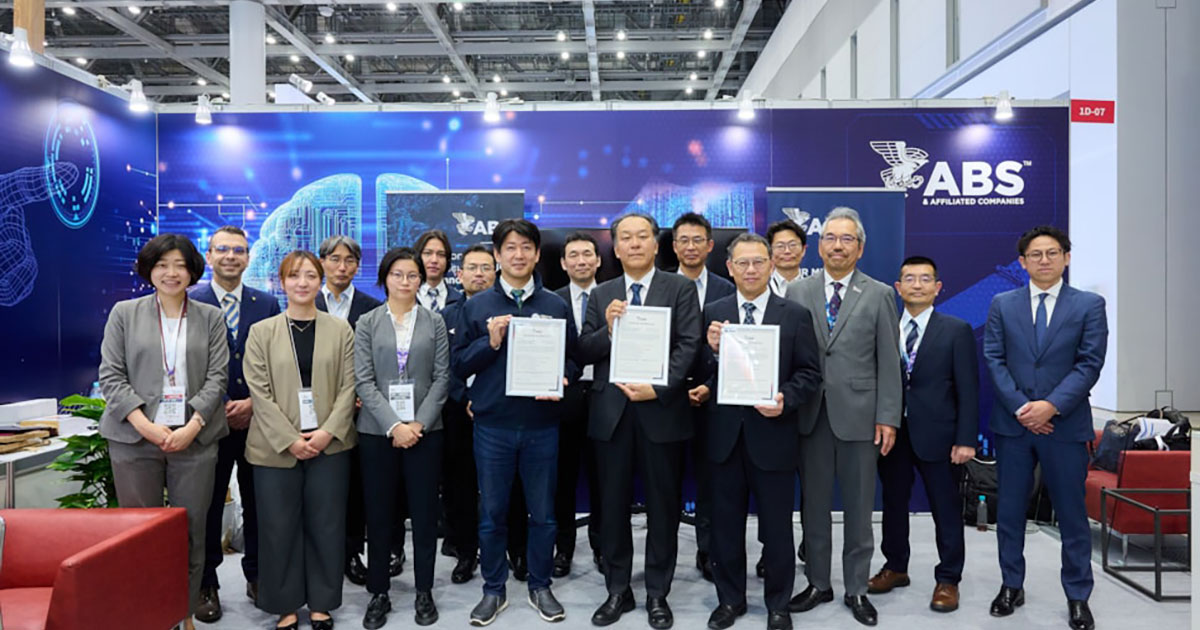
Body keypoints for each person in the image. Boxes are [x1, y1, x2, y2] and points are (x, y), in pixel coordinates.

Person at [98, 233, 230, 630]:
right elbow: (112, 376)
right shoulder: (125, 312)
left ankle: (184, 611)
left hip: (195, 438)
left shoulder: (210, 317)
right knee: (139, 532)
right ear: (148, 269)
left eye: (179, 265)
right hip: (134, 439)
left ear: (192, 270)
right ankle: (144, 614)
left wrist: (192, 425)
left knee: (191, 532)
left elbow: (217, 378)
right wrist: (145, 424)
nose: (171, 273)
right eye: (162, 265)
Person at [578, 212, 702, 630]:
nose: (634, 244)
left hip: (661, 411)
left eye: (642, 236)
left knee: (663, 508)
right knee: (610, 507)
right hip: (611, 415)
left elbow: (690, 344)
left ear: (655, 244)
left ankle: (656, 592)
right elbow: (585, 350)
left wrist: (661, 386)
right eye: (625, 237)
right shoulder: (602, 294)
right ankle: (617, 590)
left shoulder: (680, 288)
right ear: (615, 245)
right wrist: (609, 330)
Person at [453, 219, 578, 626]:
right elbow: (459, 365)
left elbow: (573, 358)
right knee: (492, 514)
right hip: (493, 427)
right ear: (497, 254)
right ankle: (494, 590)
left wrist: (564, 376)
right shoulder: (476, 307)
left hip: (542, 425)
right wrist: (489, 343)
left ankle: (540, 586)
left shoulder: (556, 305)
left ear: (537, 254)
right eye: (510, 247)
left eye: (526, 247)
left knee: (543, 514)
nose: (518, 255)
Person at [784, 207, 902, 627]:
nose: (837, 245)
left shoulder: (880, 293)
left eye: (846, 238)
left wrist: (888, 416)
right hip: (810, 416)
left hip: (861, 418)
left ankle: (856, 587)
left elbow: (890, 361)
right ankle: (819, 582)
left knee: (857, 509)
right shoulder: (797, 292)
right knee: (813, 507)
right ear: (819, 245)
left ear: (860, 247)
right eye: (830, 237)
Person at [984, 226, 1106, 630]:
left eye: (1052, 253)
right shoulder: (1003, 303)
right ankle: (1011, 585)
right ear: (1022, 262)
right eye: (1035, 255)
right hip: (1014, 426)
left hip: (1066, 427)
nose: (1044, 260)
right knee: (1011, 513)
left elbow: (1089, 363)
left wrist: (1051, 406)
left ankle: (1077, 596)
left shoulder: (1089, 305)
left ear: (1066, 257)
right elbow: (994, 359)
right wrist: (1024, 407)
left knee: (1072, 515)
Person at [699, 233, 822, 630]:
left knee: (777, 529)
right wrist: (712, 351)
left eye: (758, 262)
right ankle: (730, 600)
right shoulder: (713, 312)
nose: (750, 270)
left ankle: (778, 605)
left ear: (771, 265)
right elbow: (699, 373)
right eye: (742, 263)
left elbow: (810, 374)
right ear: (729, 267)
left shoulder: (794, 314)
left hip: (773, 436)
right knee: (725, 527)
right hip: (723, 438)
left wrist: (785, 397)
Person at [244, 250, 357, 630]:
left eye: (311, 275)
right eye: (295, 276)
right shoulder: (262, 332)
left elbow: (349, 387)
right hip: (274, 448)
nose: (303, 283)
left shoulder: (340, 329)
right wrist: (291, 439)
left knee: (326, 524)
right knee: (278, 526)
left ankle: (323, 602)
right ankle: (287, 605)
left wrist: (325, 432)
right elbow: (259, 393)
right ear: (282, 282)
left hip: (331, 444)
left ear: (321, 279)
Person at [868, 256, 979, 613]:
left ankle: (948, 578)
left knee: (945, 510)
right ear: (897, 288)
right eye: (909, 279)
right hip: (892, 434)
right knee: (893, 505)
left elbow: (968, 390)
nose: (917, 285)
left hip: (940, 437)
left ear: (937, 287)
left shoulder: (956, 329)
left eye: (925, 279)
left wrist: (965, 439)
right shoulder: (884, 328)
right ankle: (895, 566)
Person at [355, 247, 450, 628]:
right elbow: (363, 379)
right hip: (378, 433)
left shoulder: (434, 322)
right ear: (385, 278)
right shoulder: (367, 322)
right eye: (398, 274)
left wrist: (418, 425)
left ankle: (423, 590)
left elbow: (443, 378)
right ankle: (379, 591)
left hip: (426, 432)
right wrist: (395, 425)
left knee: (425, 516)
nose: (406, 281)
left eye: (413, 275)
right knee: (378, 515)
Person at [193, 226, 281, 623]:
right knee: (208, 505)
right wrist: (220, 403)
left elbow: (279, 364)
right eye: (222, 250)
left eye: (239, 251)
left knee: (260, 503)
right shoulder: (190, 301)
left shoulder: (266, 303)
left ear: (248, 258)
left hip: (257, 422)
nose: (231, 256)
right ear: (208, 256)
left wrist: (252, 403)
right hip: (207, 423)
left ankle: (258, 575)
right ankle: (206, 582)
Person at [314, 235, 387, 585]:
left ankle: (351, 552)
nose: (341, 267)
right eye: (334, 259)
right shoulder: (304, 302)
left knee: (356, 487)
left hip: (361, 411)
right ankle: (320, 554)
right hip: (314, 413)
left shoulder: (373, 308)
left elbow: (379, 359)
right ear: (322, 262)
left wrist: (361, 395)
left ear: (358, 266)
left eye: (349, 260)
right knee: (321, 487)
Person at [671, 212, 735, 582]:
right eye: (684, 240)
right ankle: (664, 556)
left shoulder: (728, 290)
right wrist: (677, 386)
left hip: (716, 398)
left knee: (713, 483)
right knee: (667, 480)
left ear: (710, 246)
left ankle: (709, 551)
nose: (691, 247)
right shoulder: (659, 289)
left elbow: (741, 349)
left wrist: (710, 383)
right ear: (675, 245)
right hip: (670, 398)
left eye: (698, 240)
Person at [440, 243, 497, 584]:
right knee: (459, 486)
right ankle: (465, 552)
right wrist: (467, 399)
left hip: (499, 411)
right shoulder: (445, 316)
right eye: (472, 268)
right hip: (458, 412)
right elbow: (443, 366)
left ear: (496, 272)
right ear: (459, 275)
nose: (479, 273)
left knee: (503, 486)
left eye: (486, 267)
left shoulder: (509, 310)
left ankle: (510, 550)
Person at [553, 231, 605, 578]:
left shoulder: (616, 298)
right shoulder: (552, 301)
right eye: (574, 255)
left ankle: (603, 546)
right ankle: (563, 547)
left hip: (605, 397)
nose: (581, 261)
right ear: (563, 263)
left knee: (605, 479)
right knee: (562, 479)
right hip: (563, 399)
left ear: (599, 260)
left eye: (588, 254)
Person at [416, 229, 463, 313]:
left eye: (441, 255)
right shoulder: (405, 299)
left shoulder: (460, 301)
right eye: (428, 253)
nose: (434, 260)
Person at [767, 220, 807, 298]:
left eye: (792, 245)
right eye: (780, 246)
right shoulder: (761, 288)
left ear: (803, 250)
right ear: (770, 251)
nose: (787, 251)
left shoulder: (814, 288)